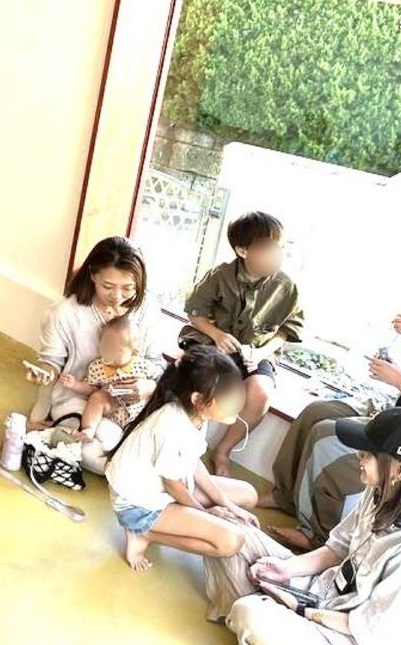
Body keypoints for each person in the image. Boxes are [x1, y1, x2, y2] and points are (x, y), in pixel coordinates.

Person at [220, 408, 401, 644]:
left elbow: (371, 630)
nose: (358, 456)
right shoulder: (379, 491)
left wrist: (301, 609)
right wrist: (287, 569)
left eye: (367, 453)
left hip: (350, 634)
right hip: (323, 593)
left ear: (398, 470)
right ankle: (262, 615)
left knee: (249, 614)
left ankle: (256, 613)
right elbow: (338, 547)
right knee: (228, 529)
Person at [261, 290, 401, 551]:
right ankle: (285, 496)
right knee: (315, 412)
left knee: (326, 438)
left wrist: (400, 382)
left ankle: (317, 535)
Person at [105, 346, 261, 572]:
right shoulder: (170, 423)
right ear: (199, 399)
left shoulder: (196, 414)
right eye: (230, 397)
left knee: (248, 495)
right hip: (140, 506)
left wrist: (228, 506)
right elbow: (172, 484)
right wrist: (205, 513)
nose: (239, 403)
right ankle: (145, 533)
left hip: (164, 490)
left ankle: (167, 524)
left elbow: (194, 464)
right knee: (231, 541)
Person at [179, 211, 305, 475]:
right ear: (242, 250)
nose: (276, 255)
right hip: (215, 345)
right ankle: (185, 445)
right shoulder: (220, 276)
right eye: (267, 248)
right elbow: (194, 313)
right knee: (196, 379)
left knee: (261, 393)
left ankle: (223, 451)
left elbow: (287, 330)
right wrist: (216, 334)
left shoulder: (286, 286)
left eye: (279, 248)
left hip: (258, 352)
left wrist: (260, 353)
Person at [24, 236, 164, 472]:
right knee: (102, 452)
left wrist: (148, 387)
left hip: (130, 405)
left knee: (149, 448)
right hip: (77, 399)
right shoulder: (64, 313)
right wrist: (43, 375)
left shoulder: (148, 308)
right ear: (92, 275)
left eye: (128, 288)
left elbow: (156, 363)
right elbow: (51, 362)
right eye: (108, 286)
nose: (117, 296)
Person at [63, 314, 161, 443]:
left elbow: (161, 380)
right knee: (97, 397)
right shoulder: (97, 367)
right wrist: (75, 384)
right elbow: (91, 389)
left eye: (117, 349)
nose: (109, 352)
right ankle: (88, 430)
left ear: (134, 352)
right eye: (105, 346)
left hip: (138, 412)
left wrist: (149, 387)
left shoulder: (143, 366)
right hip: (112, 407)